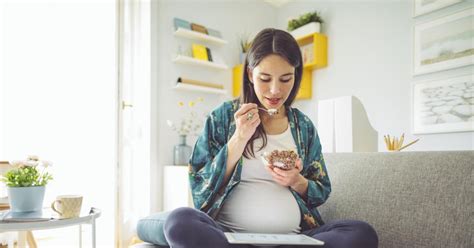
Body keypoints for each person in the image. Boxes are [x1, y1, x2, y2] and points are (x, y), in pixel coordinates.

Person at [163, 28, 378, 248]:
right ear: (249, 74)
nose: (275, 90)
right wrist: (239, 138)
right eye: (265, 79)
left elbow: (321, 191)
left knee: (361, 233)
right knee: (179, 222)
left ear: (296, 75)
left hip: (294, 239)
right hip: (228, 237)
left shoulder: (304, 127)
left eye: (286, 79)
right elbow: (199, 189)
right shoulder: (223, 117)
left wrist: (297, 181)